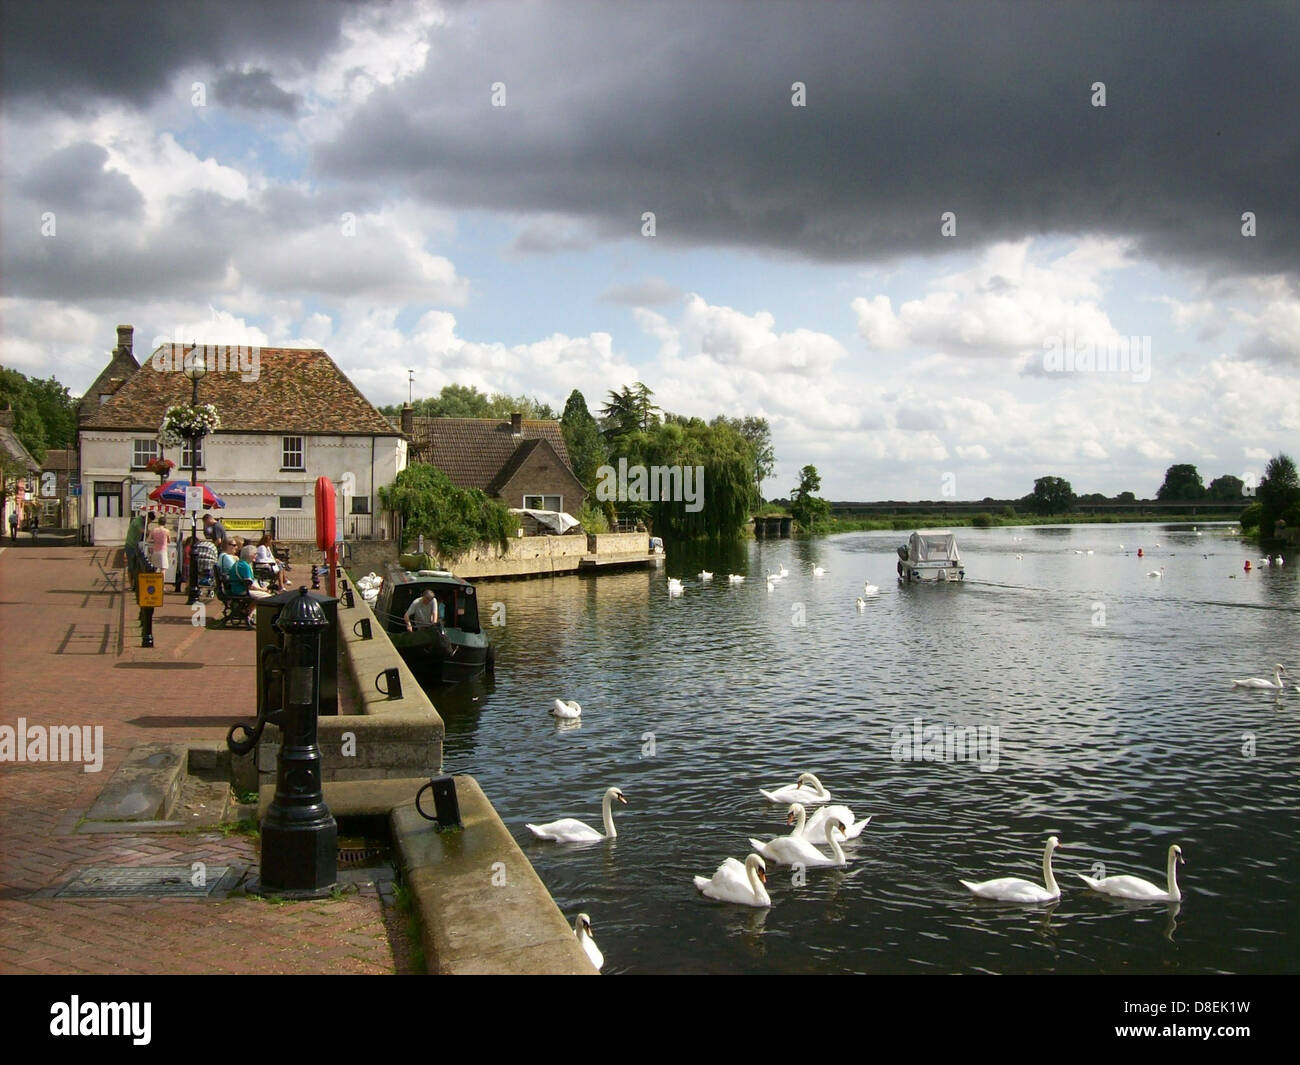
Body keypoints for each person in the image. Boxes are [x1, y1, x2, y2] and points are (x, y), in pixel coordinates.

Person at [124, 510, 146, 581]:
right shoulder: (138, 522)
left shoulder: (139, 521)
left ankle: (134, 583)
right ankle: (131, 584)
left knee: (136, 566)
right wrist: (153, 533)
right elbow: (142, 531)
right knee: (131, 566)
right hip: (131, 546)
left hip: (134, 545)